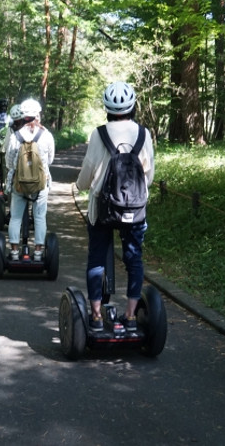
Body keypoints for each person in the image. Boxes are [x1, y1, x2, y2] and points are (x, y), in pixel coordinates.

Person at [75, 81, 155, 332]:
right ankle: (131, 316)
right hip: (134, 209)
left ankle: (97, 316)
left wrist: (80, 185)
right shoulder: (144, 133)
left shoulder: (99, 134)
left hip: (103, 209)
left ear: (106, 108)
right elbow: (148, 176)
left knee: (97, 259)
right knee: (134, 258)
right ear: (133, 106)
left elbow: (87, 174)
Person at [5, 98, 55, 262]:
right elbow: (50, 160)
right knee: (40, 217)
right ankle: (39, 252)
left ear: (23, 115)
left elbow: (9, 162)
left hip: (19, 184)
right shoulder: (46, 135)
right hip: (40, 184)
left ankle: (14, 251)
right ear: (38, 115)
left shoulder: (15, 136)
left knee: (15, 217)